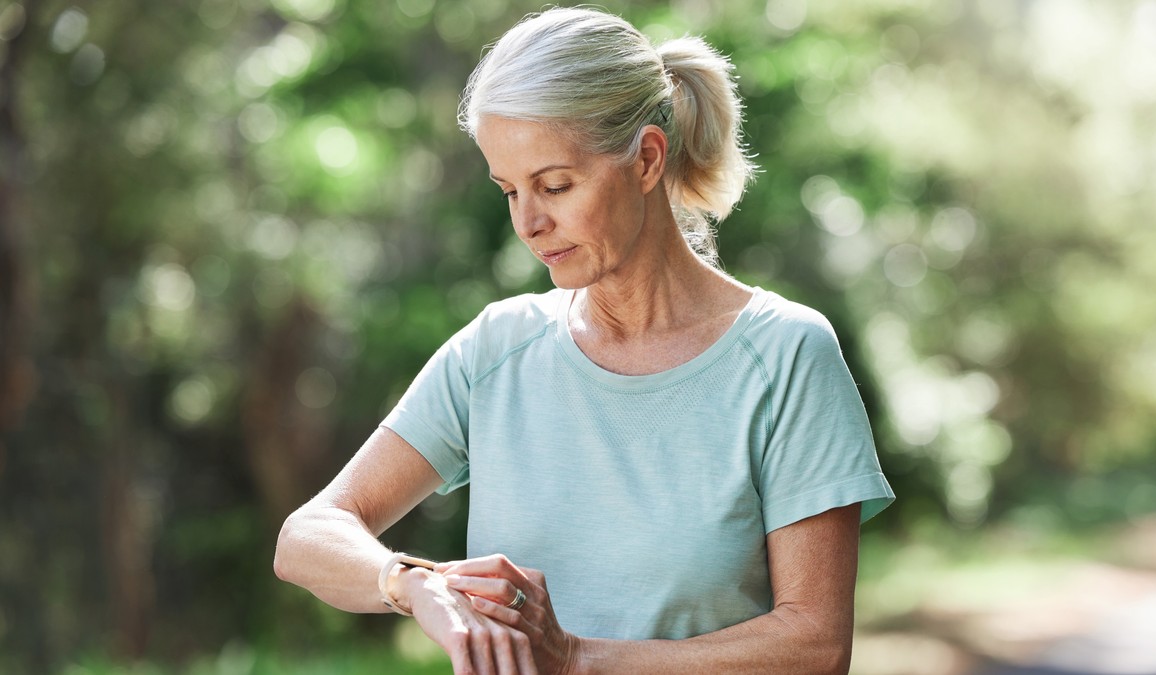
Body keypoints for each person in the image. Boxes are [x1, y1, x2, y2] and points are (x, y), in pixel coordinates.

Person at [274, 7, 894, 674]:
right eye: (509, 190)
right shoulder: (494, 353)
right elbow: (305, 536)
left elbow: (816, 644)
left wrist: (576, 657)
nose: (529, 222)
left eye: (555, 185)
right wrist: (414, 582)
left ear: (648, 159)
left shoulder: (785, 357)